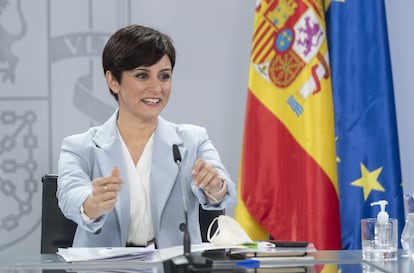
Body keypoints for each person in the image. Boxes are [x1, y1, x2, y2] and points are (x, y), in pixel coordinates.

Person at [57, 24, 237, 249]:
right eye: (142, 75)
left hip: (173, 265)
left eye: (164, 76)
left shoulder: (193, 140)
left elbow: (222, 189)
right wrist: (92, 203)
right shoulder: (80, 147)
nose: (156, 88)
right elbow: (70, 194)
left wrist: (214, 187)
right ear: (113, 81)